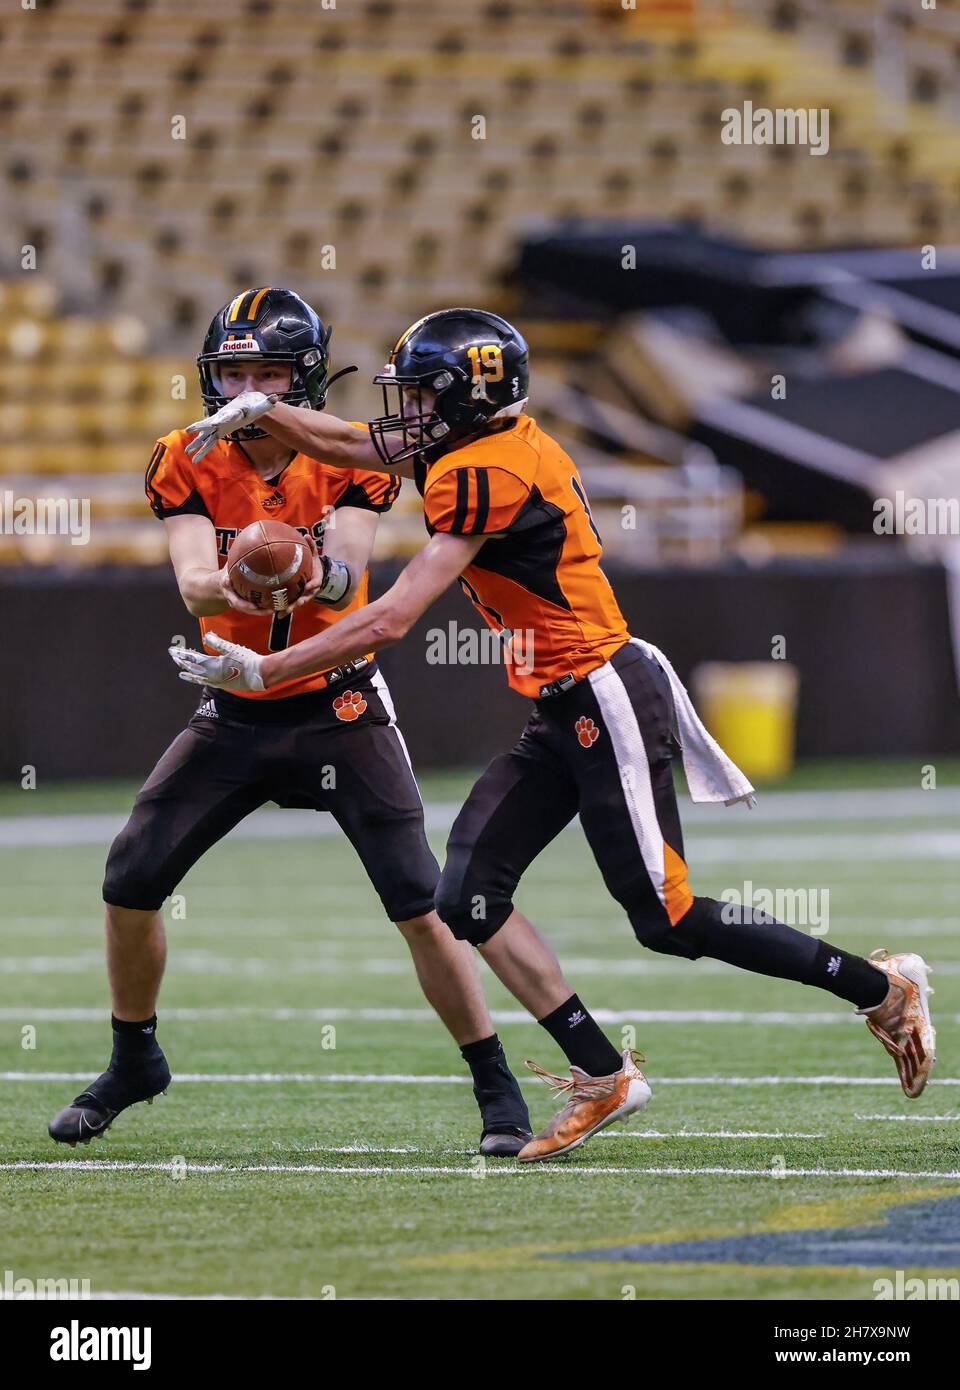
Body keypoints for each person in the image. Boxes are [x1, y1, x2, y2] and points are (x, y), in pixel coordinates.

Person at [174, 306, 936, 1162]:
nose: (406, 414)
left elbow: (389, 618)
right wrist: (260, 411)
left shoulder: (488, 472)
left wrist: (266, 671)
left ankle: (882, 987)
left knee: (668, 918)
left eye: (422, 397)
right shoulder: (482, 439)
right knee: (466, 894)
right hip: (561, 706)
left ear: (466, 400)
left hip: (606, 694)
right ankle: (605, 1075)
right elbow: (353, 445)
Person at [48, 290, 532, 1157]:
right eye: (232, 371)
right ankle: (134, 1058)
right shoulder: (186, 457)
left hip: (338, 704)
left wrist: (307, 568)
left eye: (266, 372)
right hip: (233, 707)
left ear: (302, 378)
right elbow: (193, 580)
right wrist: (246, 572)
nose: (246, 389)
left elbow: (353, 576)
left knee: (420, 903)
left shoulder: (348, 455)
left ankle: (496, 1083)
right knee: (131, 875)